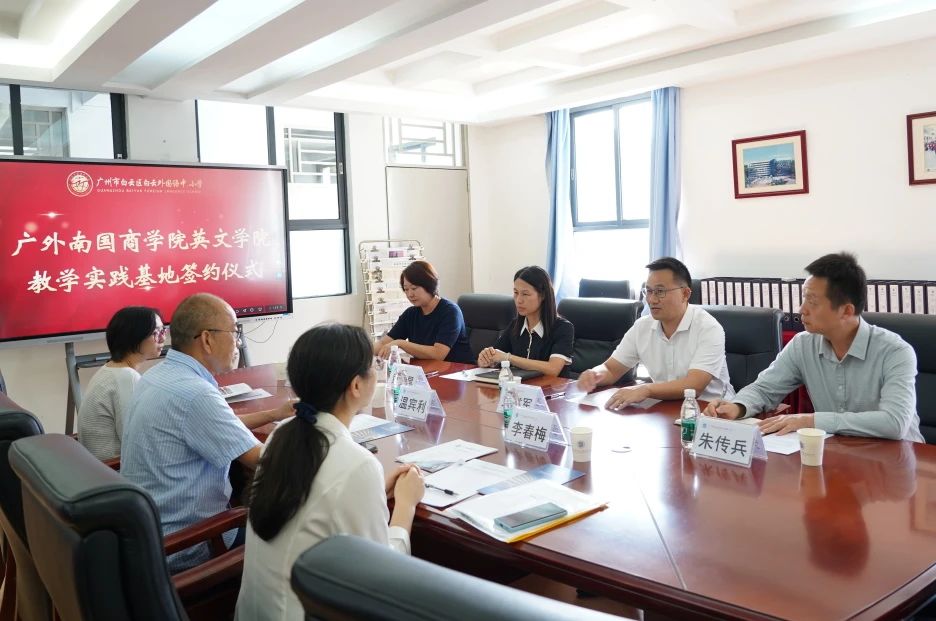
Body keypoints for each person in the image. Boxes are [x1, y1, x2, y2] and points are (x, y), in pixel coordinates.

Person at [235, 323, 425, 621]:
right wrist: (406, 506)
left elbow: (321, 500)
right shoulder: (357, 464)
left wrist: (374, 490)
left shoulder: (282, 434)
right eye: (373, 366)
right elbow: (381, 581)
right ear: (356, 386)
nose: (376, 372)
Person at [121, 293, 296, 572]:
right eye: (234, 332)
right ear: (207, 339)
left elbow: (218, 426)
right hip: (188, 545)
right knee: (294, 533)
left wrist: (275, 414)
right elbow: (266, 462)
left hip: (150, 533)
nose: (238, 342)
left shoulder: (158, 376)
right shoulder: (196, 394)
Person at [703, 252, 923, 442]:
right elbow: (764, 389)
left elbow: (894, 422)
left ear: (846, 311)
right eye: (804, 299)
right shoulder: (803, 344)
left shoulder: (895, 352)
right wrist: (737, 406)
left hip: (899, 457)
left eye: (812, 302)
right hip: (840, 452)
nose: (801, 309)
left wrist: (811, 421)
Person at [577, 257, 734, 409]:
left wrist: (646, 389)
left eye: (660, 291)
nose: (651, 299)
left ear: (685, 294)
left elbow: (694, 385)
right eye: (648, 291)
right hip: (664, 407)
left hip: (712, 410)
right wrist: (594, 374)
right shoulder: (642, 327)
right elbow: (611, 369)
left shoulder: (708, 328)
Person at [77, 306, 165, 460]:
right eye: (156, 333)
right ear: (135, 337)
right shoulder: (127, 377)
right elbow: (137, 442)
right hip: (114, 469)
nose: (163, 338)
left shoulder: (110, 369)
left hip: (97, 466)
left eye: (163, 331)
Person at [478, 265, 574, 377]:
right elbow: (496, 355)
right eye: (516, 293)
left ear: (543, 295)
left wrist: (508, 357)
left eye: (525, 294)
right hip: (518, 387)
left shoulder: (563, 328)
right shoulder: (515, 325)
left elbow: (553, 369)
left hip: (550, 388)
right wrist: (485, 359)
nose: (519, 300)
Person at [376, 260, 472, 363]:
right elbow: (383, 343)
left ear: (429, 285)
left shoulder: (450, 311)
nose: (410, 294)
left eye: (414, 288)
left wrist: (400, 343)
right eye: (406, 289)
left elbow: (438, 354)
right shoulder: (410, 314)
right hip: (427, 369)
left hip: (458, 369)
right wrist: (364, 350)